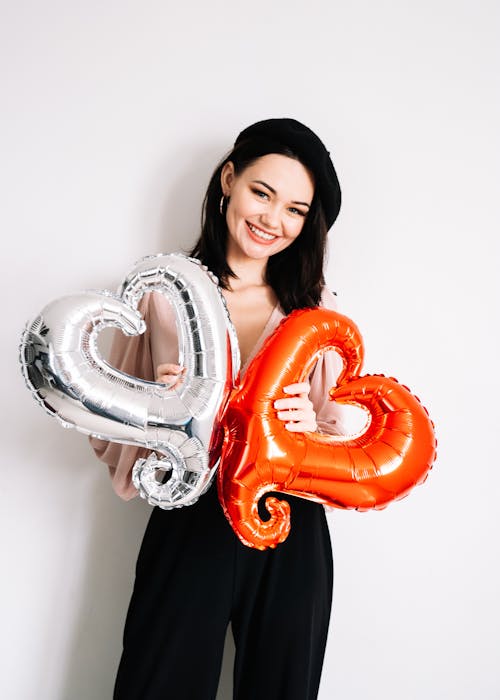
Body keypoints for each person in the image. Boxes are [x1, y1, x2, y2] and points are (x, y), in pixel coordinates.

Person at [91, 117, 346, 700]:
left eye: (295, 210)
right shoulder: (162, 293)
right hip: (191, 513)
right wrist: (158, 405)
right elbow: (112, 429)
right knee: (157, 685)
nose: (271, 219)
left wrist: (314, 431)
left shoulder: (319, 310)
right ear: (229, 179)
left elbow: (345, 437)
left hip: (291, 525)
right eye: (262, 192)